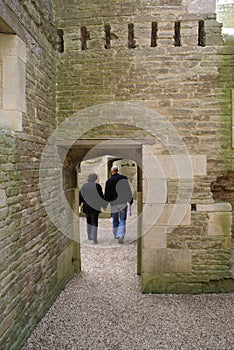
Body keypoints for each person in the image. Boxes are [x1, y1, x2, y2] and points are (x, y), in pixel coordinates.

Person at [104, 165, 133, 244]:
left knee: (115, 219)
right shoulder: (123, 179)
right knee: (122, 219)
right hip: (123, 202)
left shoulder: (109, 181)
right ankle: (121, 235)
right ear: (118, 170)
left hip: (114, 203)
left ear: (112, 171)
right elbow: (128, 190)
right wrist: (130, 200)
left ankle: (116, 234)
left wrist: (105, 204)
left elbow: (107, 194)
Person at [79, 173, 105, 244]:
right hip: (95, 206)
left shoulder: (84, 186)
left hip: (87, 206)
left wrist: (79, 203)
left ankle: (89, 235)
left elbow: (81, 196)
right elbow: (101, 197)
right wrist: (103, 205)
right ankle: (94, 238)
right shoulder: (98, 186)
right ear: (95, 179)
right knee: (94, 222)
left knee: (88, 221)